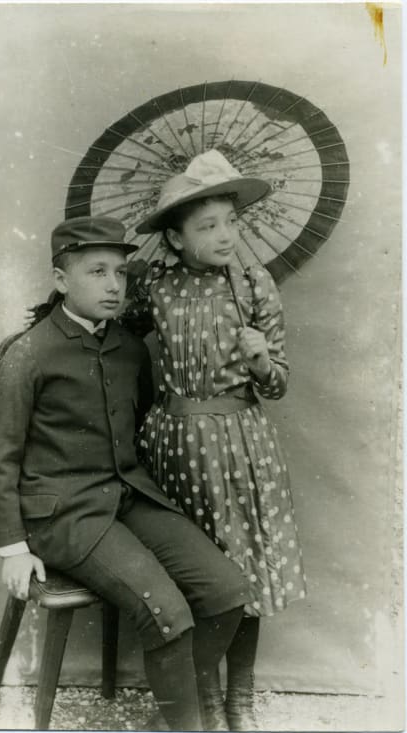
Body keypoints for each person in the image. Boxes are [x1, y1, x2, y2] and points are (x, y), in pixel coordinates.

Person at [0, 215, 251, 732]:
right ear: (61, 279)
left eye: (121, 274)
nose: (113, 286)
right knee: (166, 611)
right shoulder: (29, 353)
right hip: (62, 515)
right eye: (97, 272)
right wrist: (12, 548)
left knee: (227, 590)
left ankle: (173, 710)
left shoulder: (126, 349)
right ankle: (186, 725)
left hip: (125, 495)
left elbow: (136, 420)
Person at [122, 149, 307, 731]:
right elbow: (114, 343)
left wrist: (260, 360)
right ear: (175, 240)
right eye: (207, 226)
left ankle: (240, 700)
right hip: (174, 449)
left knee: (245, 572)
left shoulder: (253, 285)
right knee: (199, 576)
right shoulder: (153, 285)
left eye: (231, 221)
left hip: (239, 448)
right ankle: (200, 699)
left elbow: (276, 386)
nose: (225, 234)